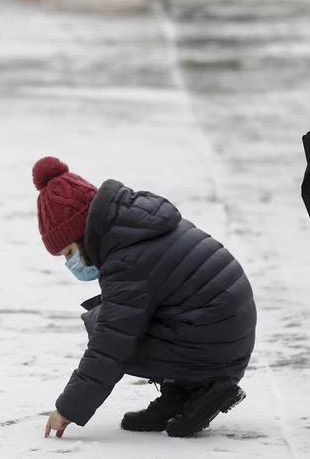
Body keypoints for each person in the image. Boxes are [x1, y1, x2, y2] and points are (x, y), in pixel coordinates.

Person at [32, 156, 256, 439]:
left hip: (217, 342)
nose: (70, 263)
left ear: (82, 235)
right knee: (116, 317)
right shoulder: (132, 226)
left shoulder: (128, 259)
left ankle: (208, 388)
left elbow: (111, 345)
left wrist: (68, 408)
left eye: (68, 253)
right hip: (220, 329)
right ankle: (180, 391)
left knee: (107, 326)